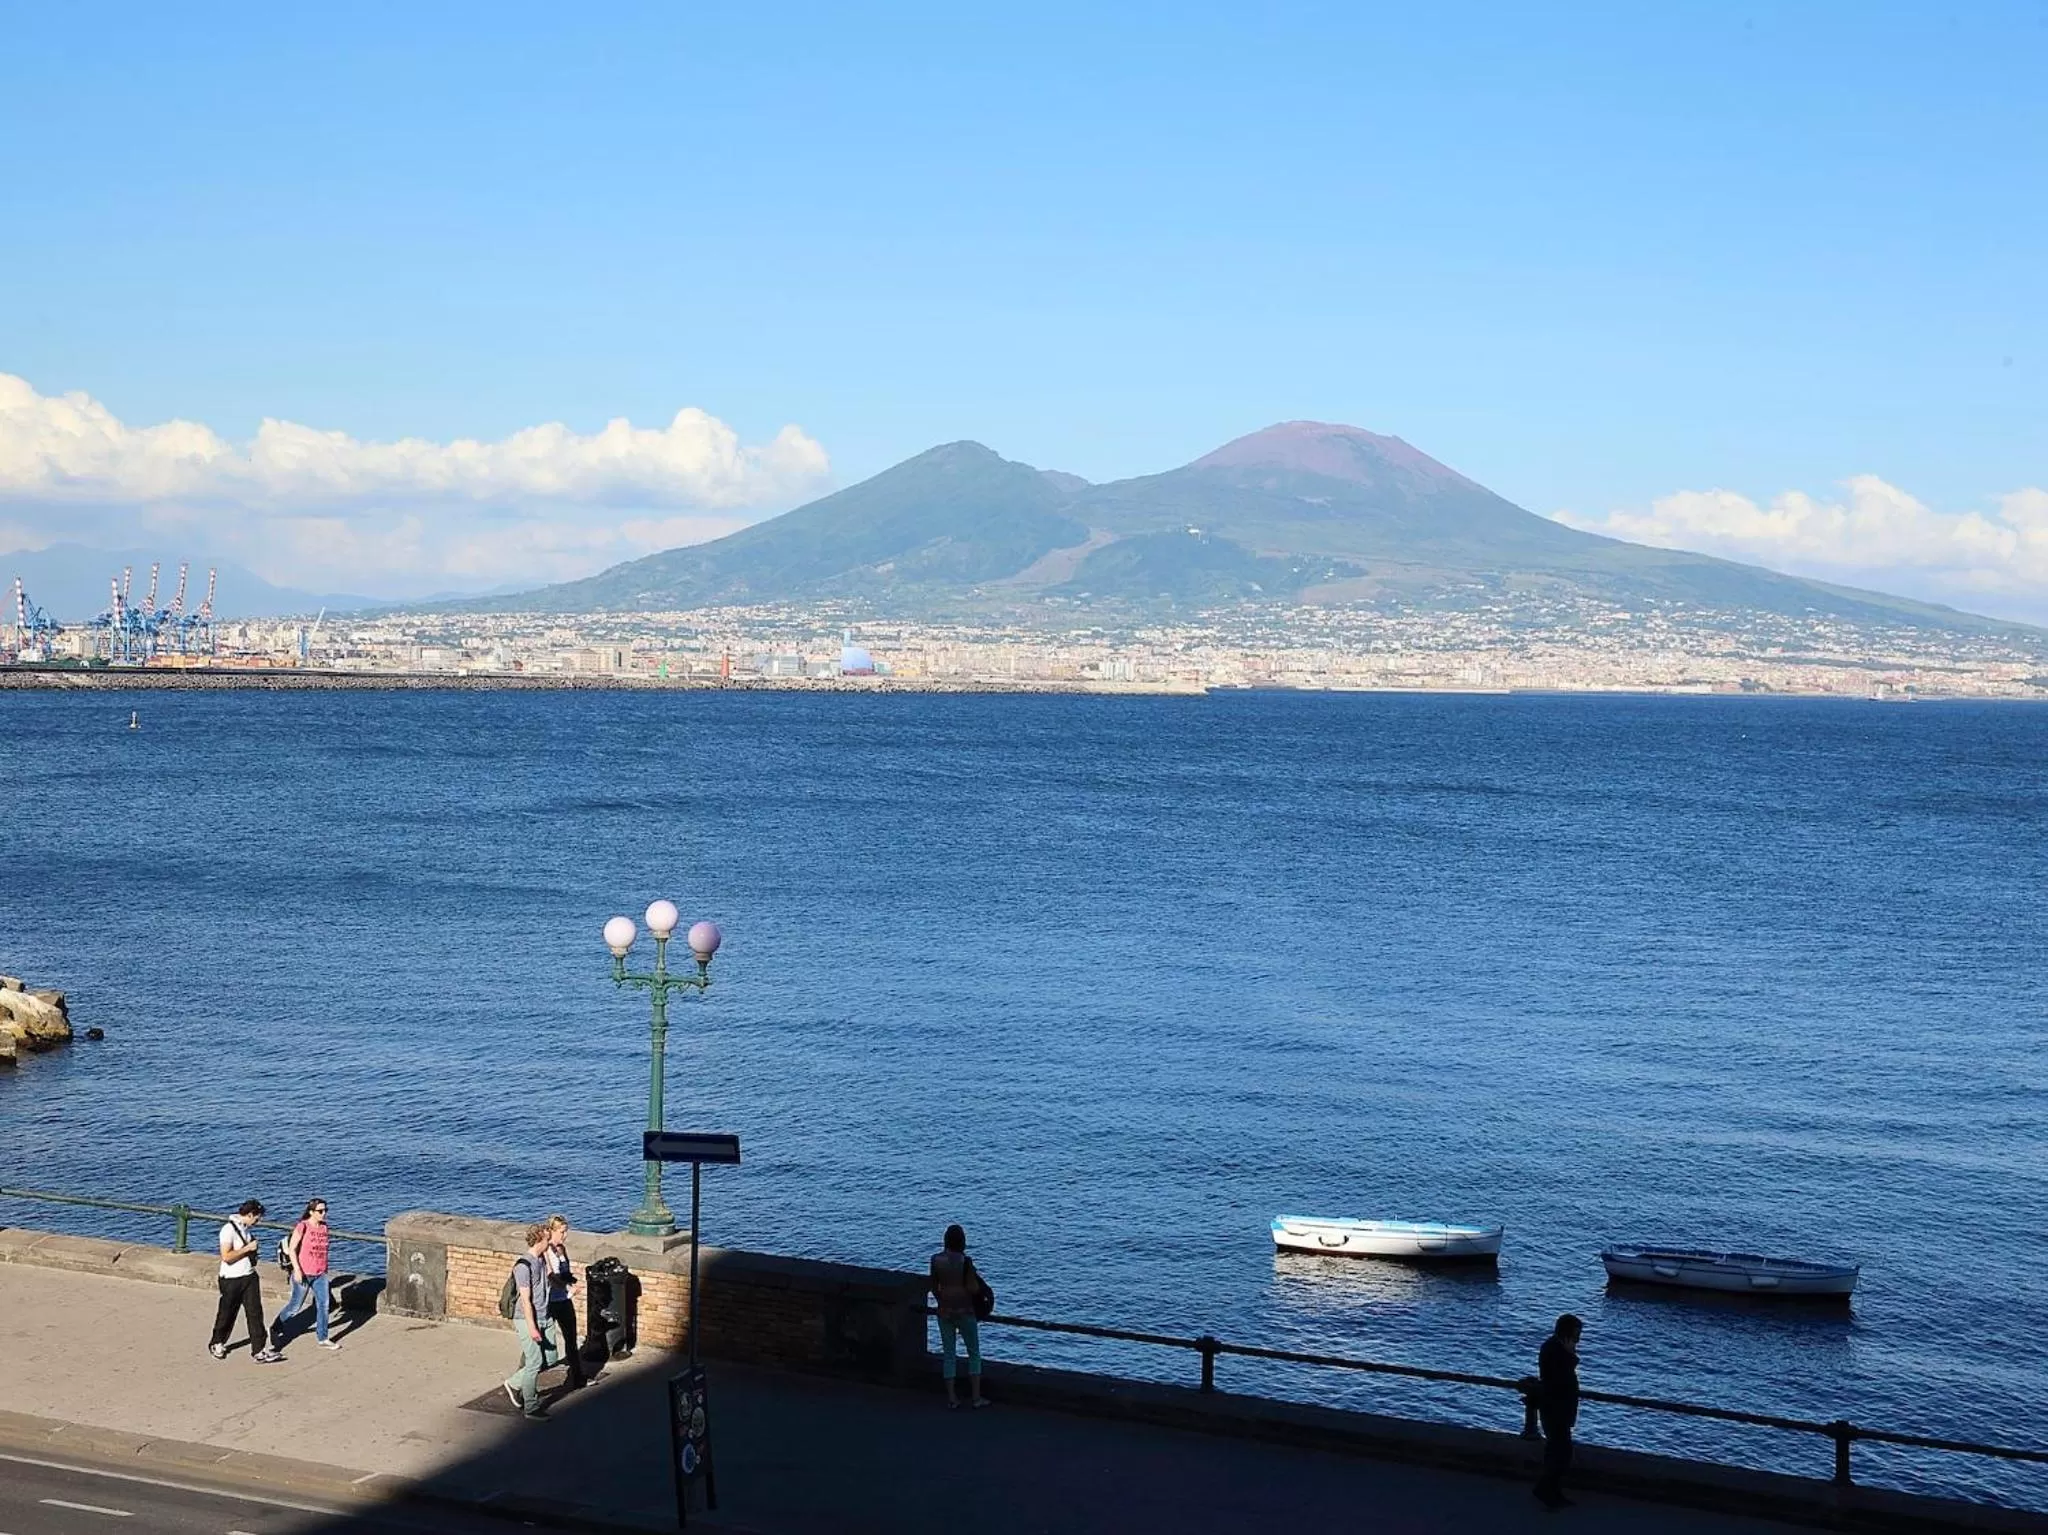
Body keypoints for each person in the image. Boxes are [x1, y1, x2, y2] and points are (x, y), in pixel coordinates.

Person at [208, 1199, 283, 1363]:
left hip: (249, 1276)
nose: (258, 1221)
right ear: (249, 1215)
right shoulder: (228, 1230)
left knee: (255, 1313)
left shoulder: (246, 1230)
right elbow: (226, 1256)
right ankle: (217, 1342)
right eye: (257, 1218)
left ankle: (259, 1350)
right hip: (231, 1279)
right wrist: (248, 1248)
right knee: (227, 1313)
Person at [502, 1223, 562, 1420]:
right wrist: (532, 1327)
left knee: (551, 1359)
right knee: (534, 1362)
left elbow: (549, 1278)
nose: (549, 1242)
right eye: (547, 1239)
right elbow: (525, 1301)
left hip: (545, 1315)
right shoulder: (523, 1266)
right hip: (527, 1319)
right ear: (539, 1240)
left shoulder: (541, 1259)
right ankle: (531, 1406)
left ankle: (514, 1383)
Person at [928, 1223, 989, 1409]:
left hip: (945, 1310)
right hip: (965, 1310)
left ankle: (952, 1398)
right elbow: (973, 1288)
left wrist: (942, 1300)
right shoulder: (965, 1261)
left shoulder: (935, 1260)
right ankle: (976, 1397)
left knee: (949, 1354)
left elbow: (933, 1286)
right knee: (973, 1353)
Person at [273, 1198, 341, 1350]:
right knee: (295, 1306)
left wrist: (325, 1269)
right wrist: (297, 1270)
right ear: (311, 1212)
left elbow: (323, 1250)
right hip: (303, 1273)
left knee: (324, 1305)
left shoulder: (324, 1227)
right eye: (320, 1211)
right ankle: (276, 1327)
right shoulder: (302, 1226)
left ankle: (323, 1337)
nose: (324, 1213)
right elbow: (292, 1249)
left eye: (325, 1210)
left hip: (320, 1274)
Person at [1534, 1313, 1584, 1509]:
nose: (1578, 1339)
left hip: (1558, 1407)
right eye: (1576, 1333)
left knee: (1557, 1450)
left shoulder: (1554, 1346)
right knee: (1561, 1452)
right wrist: (1571, 1355)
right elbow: (1558, 1378)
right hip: (1556, 1408)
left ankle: (1552, 1490)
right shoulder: (1556, 1349)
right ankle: (1546, 1489)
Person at [543, 1214, 588, 1390]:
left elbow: (565, 1273)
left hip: (564, 1300)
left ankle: (578, 1377)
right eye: (562, 1232)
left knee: (571, 1338)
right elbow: (551, 1277)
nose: (565, 1235)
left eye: (566, 1231)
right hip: (550, 1301)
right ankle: (522, 1377)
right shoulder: (546, 1251)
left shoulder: (561, 1249)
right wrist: (568, 1289)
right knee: (541, 1338)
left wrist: (574, 1281)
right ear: (552, 1231)